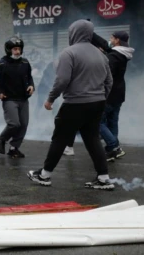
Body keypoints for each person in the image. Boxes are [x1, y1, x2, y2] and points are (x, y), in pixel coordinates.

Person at [28, 20, 114, 190]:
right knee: (93, 139)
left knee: (60, 138)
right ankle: (104, 178)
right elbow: (109, 81)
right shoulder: (101, 55)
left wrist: (51, 99)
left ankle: (44, 175)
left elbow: (62, 80)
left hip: (75, 103)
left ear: (73, 33)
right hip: (97, 103)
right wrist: (101, 98)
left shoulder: (68, 53)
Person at [0, 37, 35, 159]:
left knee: (24, 124)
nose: (18, 52)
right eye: (15, 49)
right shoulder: (1, 63)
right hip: (9, 99)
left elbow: (29, 77)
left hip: (23, 99)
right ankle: (1, 140)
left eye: (19, 49)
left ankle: (14, 148)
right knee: (14, 124)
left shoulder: (25, 63)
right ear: (8, 50)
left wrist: (31, 86)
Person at [95, 30, 133, 161]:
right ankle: (112, 151)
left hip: (110, 94)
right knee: (112, 121)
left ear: (117, 40)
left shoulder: (113, 56)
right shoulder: (122, 54)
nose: (110, 39)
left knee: (97, 122)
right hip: (119, 94)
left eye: (112, 38)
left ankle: (114, 146)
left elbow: (107, 76)